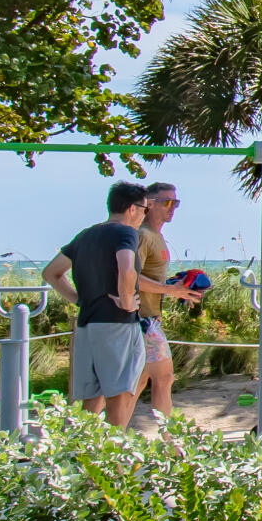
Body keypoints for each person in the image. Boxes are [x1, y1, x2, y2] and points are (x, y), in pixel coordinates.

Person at [44, 182, 148, 426]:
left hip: (86, 325)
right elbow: (126, 266)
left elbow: (51, 273)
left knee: (90, 401)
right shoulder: (126, 233)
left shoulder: (85, 235)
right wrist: (126, 301)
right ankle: (114, 463)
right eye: (144, 209)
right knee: (118, 398)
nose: (144, 215)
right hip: (117, 324)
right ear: (132, 208)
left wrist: (79, 299)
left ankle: (84, 458)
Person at [129, 180, 206, 422]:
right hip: (142, 321)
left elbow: (148, 278)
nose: (172, 208)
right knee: (163, 378)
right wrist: (170, 290)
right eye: (167, 202)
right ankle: (169, 441)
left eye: (176, 203)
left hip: (148, 319)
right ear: (149, 205)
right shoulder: (142, 235)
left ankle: (114, 436)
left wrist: (180, 288)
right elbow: (130, 277)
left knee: (140, 381)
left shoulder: (156, 236)